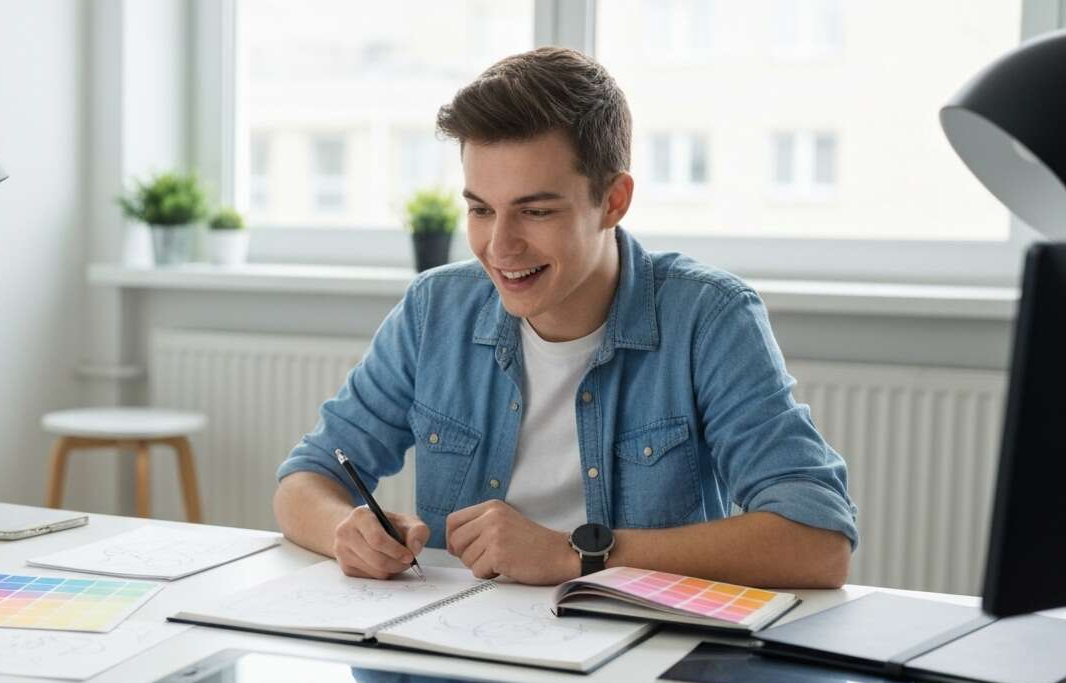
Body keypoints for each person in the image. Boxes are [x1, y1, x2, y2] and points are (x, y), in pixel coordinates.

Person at [273, 47, 856, 589]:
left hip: (638, 659)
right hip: (458, 649)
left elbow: (818, 541)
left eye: (536, 211)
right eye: (480, 209)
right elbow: (308, 478)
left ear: (614, 201)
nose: (500, 247)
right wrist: (344, 532)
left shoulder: (709, 318)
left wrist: (581, 555)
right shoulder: (435, 311)